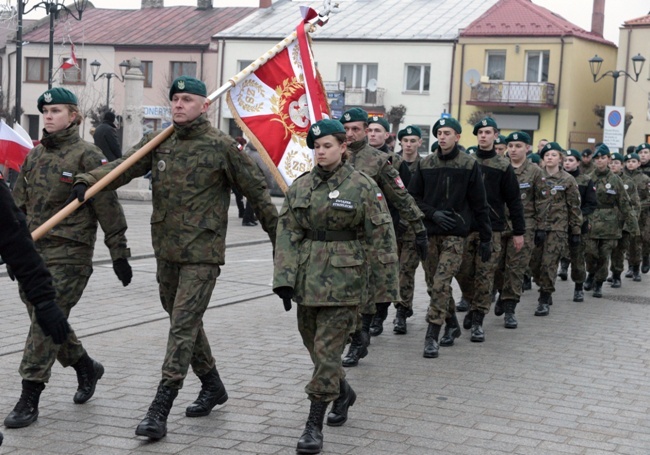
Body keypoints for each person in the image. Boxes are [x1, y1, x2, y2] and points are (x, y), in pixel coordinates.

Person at [70, 76, 278, 440]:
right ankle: (212, 384)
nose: (179, 105)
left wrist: (283, 248)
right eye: (175, 99)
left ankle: (160, 406)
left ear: (205, 105)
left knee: (182, 324)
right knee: (185, 323)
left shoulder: (222, 146)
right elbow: (124, 167)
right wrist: (90, 179)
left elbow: (258, 195)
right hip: (166, 251)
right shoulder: (161, 141)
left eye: (187, 99)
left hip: (203, 253)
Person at [6, 88, 132, 429]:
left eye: (56, 110)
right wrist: (15, 253)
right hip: (34, 255)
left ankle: (29, 395)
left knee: (42, 329)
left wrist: (119, 252)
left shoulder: (87, 157)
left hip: (70, 257)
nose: (48, 116)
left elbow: (108, 206)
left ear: (73, 116)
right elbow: (17, 208)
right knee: (47, 321)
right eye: (45, 110)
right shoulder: (34, 156)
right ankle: (85, 367)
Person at [273, 119, 398, 455]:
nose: (321, 152)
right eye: (316, 147)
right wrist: (283, 280)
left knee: (328, 355)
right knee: (316, 351)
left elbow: (382, 237)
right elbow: (287, 233)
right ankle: (342, 392)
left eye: (327, 146)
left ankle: (313, 426)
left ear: (343, 147)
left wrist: (386, 291)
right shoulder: (301, 187)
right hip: (307, 281)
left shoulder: (362, 186)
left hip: (346, 282)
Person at [337, 107, 426, 367]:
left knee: (365, 293)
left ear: (366, 130)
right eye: (347, 129)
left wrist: (419, 227)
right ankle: (352, 335)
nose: (351, 134)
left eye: (356, 129)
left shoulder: (378, 160)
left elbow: (401, 196)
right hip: (339, 238)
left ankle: (359, 340)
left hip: (369, 237)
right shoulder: (333, 155)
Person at [408, 117, 491, 358]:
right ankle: (453, 324)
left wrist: (485, 237)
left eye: (447, 133)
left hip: (456, 234)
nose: (442, 137)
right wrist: (432, 213)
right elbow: (412, 198)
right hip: (431, 232)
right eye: (439, 133)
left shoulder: (468, 164)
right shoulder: (426, 164)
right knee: (435, 285)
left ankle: (432, 333)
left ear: (457, 136)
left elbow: (479, 203)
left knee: (441, 282)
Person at [0, 172, 72, 446]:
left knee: (50, 329)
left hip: (67, 253)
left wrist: (42, 299)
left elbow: (13, 233)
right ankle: (84, 365)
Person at [455, 117, 524, 342]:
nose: (483, 136)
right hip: (466, 226)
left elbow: (514, 200)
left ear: (496, 135)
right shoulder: (466, 162)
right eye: (480, 132)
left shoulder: (503, 166)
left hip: (492, 228)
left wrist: (518, 231)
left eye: (488, 132)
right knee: (463, 270)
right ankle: (473, 301)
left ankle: (477, 320)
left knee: (485, 273)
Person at [493, 132, 548, 328]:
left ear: (527, 148)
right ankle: (501, 293)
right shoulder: (499, 167)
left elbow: (542, 202)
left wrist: (541, 228)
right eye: (511, 145)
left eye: (518, 145)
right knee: (496, 266)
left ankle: (510, 309)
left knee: (515, 269)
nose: (513, 149)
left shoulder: (535, 172)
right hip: (499, 224)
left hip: (525, 225)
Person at [366, 114, 413, 336]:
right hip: (364, 229)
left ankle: (379, 315)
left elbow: (406, 196)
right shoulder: (357, 158)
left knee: (385, 275)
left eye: (377, 131)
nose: (373, 134)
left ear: (387, 135)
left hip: (390, 227)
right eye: (370, 130)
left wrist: (403, 222)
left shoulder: (396, 162)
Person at [529, 142, 582, 315]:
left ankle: (544, 297)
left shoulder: (568, 179)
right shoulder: (536, 177)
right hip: (537, 227)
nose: (549, 158)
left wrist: (575, 230)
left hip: (557, 228)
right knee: (534, 264)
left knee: (549, 264)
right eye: (546, 155)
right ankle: (543, 285)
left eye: (553, 155)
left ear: (560, 158)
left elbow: (574, 206)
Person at [583, 145, 636, 298]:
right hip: (591, 220)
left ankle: (599, 283)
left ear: (609, 159)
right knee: (590, 253)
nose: (600, 161)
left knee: (604, 254)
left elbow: (625, 203)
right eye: (597, 158)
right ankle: (591, 274)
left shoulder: (615, 179)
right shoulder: (587, 178)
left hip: (610, 223)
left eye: (603, 158)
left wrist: (632, 226)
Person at [393, 125, 426, 334]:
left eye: (413, 141)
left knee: (406, 270)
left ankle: (402, 312)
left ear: (419, 143)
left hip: (413, 228)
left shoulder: (426, 165)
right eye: (405, 140)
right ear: (400, 143)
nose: (409, 144)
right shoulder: (392, 163)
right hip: (393, 226)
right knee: (392, 271)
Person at [557, 149, 598, 302]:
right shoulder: (556, 178)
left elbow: (591, 204)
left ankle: (579, 287)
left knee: (578, 257)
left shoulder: (586, 180)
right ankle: (546, 291)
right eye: (566, 160)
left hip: (578, 226)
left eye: (571, 160)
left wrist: (578, 217)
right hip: (557, 224)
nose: (567, 163)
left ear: (578, 163)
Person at [608, 152, 640, 287]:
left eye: (617, 163)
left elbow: (635, 205)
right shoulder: (603, 180)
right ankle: (596, 275)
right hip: (604, 222)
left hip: (621, 222)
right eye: (612, 162)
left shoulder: (628, 182)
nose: (613, 165)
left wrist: (629, 224)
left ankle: (616, 275)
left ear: (622, 165)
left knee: (618, 251)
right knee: (601, 251)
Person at [624, 151, 650, 280]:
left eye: (633, 161)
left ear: (639, 163)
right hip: (625, 214)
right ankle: (629, 267)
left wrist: (638, 207)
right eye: (628, 162)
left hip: (642, 216)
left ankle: (637, 268)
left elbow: (648, 198)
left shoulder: (645, 179)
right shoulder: (620, 178)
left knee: (639, 241)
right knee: (628, 241)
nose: (630, 164)